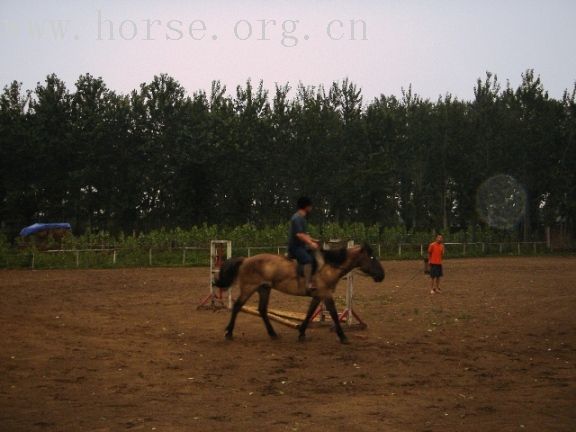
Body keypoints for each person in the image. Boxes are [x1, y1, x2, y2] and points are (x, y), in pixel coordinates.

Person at [288, 196, 319, 290]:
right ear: (306, 207)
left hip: (301, 246)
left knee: (315, 257)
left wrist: (313, 240)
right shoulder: (296, 218)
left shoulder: (302, 218)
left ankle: (312, 278)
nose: (311, 208)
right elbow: (299, 235)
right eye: (310, 206)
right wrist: (311, 243)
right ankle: (307, 284)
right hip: (295, 247)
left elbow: (304, 234)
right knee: (308, 260)